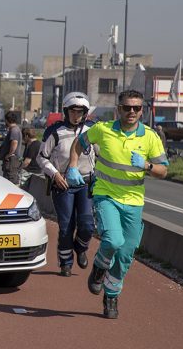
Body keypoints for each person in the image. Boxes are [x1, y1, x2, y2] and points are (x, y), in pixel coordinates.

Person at [67, 89, 168, 319]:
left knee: (125, 256)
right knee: (113, 239)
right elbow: (78, 143)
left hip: (134, 201)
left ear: (142, 110)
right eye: (126, 107)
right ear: (118, 109)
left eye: (136, 108)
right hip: (106, 196)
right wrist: (73, 166)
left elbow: (163, 170)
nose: (131, 111)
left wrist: (147, 166)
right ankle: (99, 268)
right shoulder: (103, 130)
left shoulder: (150, 136)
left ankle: (111, 297)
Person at [36, 92, 96, 278]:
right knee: (66, 226)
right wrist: (54, 175)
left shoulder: (92, 131)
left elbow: (103, 155)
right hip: (63, 185)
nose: (76, 115)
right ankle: (65, 262)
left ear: (85, 113)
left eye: (80, 111)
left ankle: (80, 246)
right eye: (73, 111)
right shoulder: (55, 131)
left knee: (87, 224)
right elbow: (41, 157)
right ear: (66, 111)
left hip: (86, 183)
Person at [1, 111, 23, 184]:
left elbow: (14, 143)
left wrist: (9, 154)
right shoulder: (14, 129)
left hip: (12, 160)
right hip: (11, 160)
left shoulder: (14, 130)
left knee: (10, 180)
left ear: (7, 120)